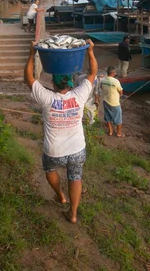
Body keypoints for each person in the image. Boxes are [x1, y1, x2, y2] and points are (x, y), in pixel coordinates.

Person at [24, 40, 98, 224]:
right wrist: (90, 51)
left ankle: (60, 196)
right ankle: (72, 214)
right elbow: (93, 73)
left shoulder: (46, 97)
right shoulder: (79, 95)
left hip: (54, 150)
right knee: (75, 177)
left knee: (49, 168)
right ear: (71, 83)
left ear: (53, 83)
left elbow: (29, 79)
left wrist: (31, 54)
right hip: (77, 149)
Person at [101, 66, 124, 137]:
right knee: (118, 119)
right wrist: (120, 95)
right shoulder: (115, 81)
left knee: (107, 117)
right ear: (113, 73)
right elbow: (121, 91)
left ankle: (110, 131)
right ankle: (119, 133)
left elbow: (101, 88)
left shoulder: (103, 80)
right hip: (114, 103)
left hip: (105, 101)